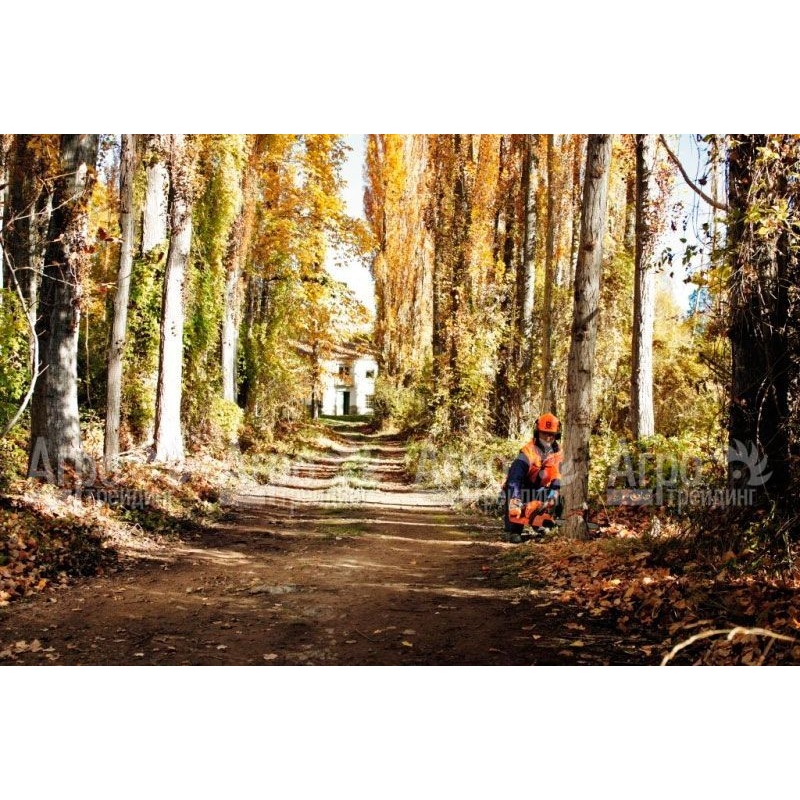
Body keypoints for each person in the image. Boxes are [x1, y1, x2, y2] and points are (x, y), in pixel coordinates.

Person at [502, 413, 564, 543]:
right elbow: (515, 479)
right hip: (521, 488)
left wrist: (553, 494)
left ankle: (542, 525)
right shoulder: (527, 452)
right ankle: (513, 531)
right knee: (513, 497)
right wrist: (515, 500)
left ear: (556, 435)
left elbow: (557, 476)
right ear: (537, 432)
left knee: (557, 499)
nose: (548, 438)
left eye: (551, 434)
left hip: (540, 489)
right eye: (544, 434)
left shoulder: (558, 453)